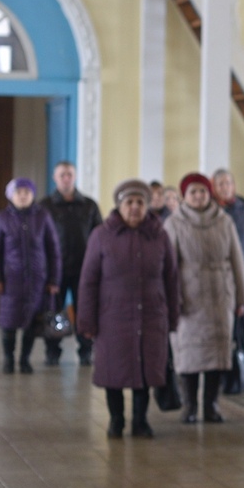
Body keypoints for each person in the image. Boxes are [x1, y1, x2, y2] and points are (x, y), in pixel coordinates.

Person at [76, 180, 179, 438]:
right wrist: (86, 322)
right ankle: (116, 420)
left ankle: (140, 421)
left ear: (147, 206)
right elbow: (88, 281)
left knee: (144, 371)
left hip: (151, 315)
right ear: (119, 206)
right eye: (129, 203)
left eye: (140, 203)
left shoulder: (160, 235)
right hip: (113, 317)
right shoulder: (101, 235)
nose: (134, 208)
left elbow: (172, 279)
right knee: (114, 371)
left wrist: (173, 317)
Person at [163, 173, 244, 424]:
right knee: (189, 354)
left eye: (202, 191)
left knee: (218, 354)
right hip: (188, 295)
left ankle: (211, 405)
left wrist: (242, 298)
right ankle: (190, 406)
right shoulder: (174, 223)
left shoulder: (224, 221)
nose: (199, 196)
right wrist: (172, 299)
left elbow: (237, 260)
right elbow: (168, 267)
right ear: (184, 196)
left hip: (221, 294)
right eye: (193, 192)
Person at [0, 178, 60, 374]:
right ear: (11, 195)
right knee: (9, 322)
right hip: (11, 280)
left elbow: (53, 250)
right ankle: (8, 359)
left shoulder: (43, 216)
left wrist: (54, 279)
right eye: (18, 192)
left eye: (26, 192)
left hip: (38, 280)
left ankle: (25, 359)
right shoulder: (2, 217)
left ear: (32, 195)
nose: (22, 196)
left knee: (32, 322)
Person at [40, 161, 104, 367]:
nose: (66, 178)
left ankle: (85, 349)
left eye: (69, 174)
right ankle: (53, 350)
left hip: (84, 269)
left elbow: (100, 236)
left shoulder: (89, 205)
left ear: (74, 177)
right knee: (56, 312)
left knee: (84, 310)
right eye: (62, 175)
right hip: (55, 270)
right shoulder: (45, 206)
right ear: (54, 178)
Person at [213, 168, 244, 347]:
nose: (225, 187)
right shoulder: (211, 212)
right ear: (214, 187)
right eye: (220, 184)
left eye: (228, 183)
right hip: (219, 276)